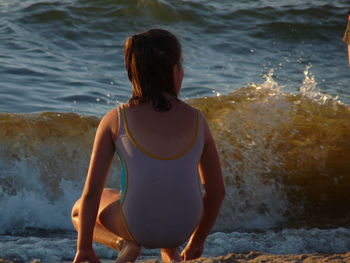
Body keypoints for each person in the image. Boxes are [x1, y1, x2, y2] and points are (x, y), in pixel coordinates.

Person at [71, 29, 225, 263]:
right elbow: (216, 192)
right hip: (183, 228)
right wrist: (197, 240)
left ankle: (125, 245)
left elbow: (91, 193)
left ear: (133, 75)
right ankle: (171, 251)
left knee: (80, 208)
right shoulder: (198, 120)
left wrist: (84, 249)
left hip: (139, 227)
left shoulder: (116, 119)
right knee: (161, 188)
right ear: (175, 71)